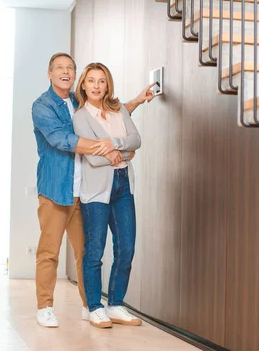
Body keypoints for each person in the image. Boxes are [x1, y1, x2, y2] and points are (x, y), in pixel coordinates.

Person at [32, 53, 153, 328]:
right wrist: (111, 150)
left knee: (86, 251)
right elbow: (62, 139)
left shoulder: (79, 100)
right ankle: (45, 306)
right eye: (59, 68)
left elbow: (109, 115)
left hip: (84, 190)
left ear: (76, 76)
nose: (65, 72)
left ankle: (91, 305)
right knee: (49, 251)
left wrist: (135, 101)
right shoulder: (42, 106)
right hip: (56, 189)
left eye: (70, 68)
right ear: (49, 73)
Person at [72, 62, 142, 329]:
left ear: (107, 84)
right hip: (97, 190)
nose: (97, 86)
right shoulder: (80, 116)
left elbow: (136, 140)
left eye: (101, 81)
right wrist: (123, 154)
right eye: (91, 81)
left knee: (126, 248)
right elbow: (92, 158)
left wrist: (115, 147)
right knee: (95, 251)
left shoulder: (119, 110)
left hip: (124, 185)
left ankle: (115, 304)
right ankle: (94, 307)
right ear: (83, 84)